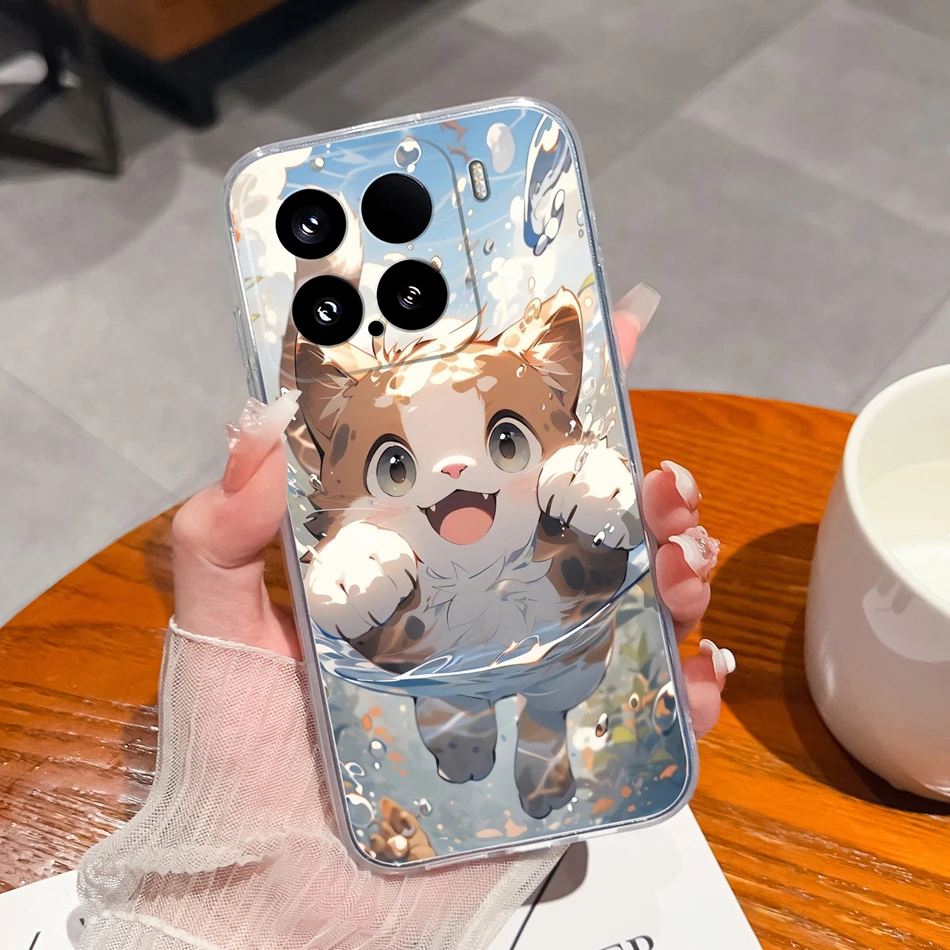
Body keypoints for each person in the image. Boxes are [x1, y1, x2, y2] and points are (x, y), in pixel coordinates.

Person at [75, 302, 734, 950]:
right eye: (396, 466)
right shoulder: (374, 557)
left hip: (558, 656)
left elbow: (604, 571)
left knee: (560, 694)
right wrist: (349, 590)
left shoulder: (561, 512)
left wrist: (598, 509)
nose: (453, 472)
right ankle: (467, 734)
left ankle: (543, 737)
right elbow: (368, 629)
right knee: (450, 720)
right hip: (434, 674)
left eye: (506, 443)